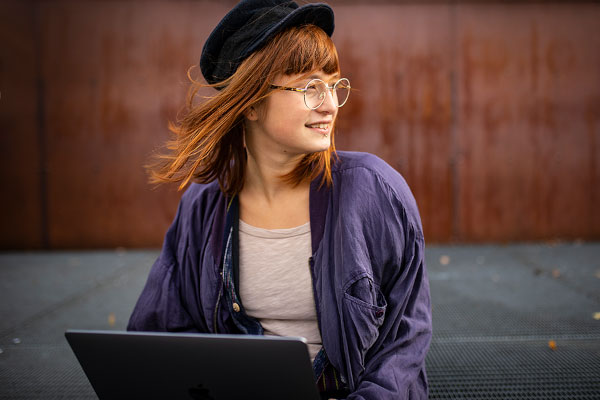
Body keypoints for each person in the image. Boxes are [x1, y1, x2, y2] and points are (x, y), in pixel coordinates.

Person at [127, 0, 432, 398]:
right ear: (251, 103)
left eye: (333, 85)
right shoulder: (202, 207)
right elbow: (159, 332)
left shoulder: (375, 191)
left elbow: (405, 340)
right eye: (309, 87)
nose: (329, 105)